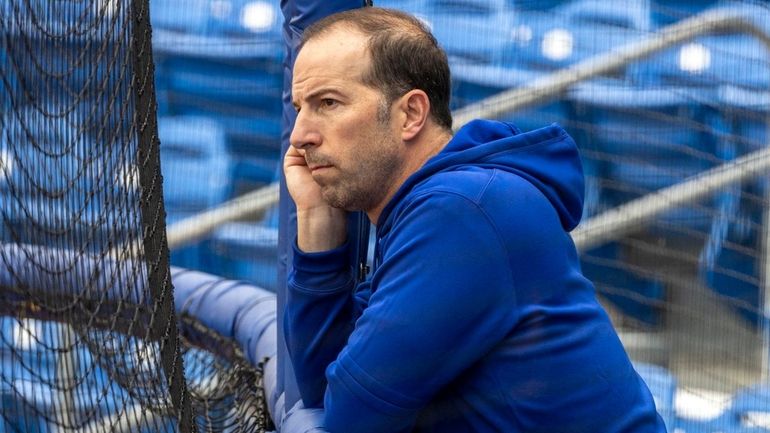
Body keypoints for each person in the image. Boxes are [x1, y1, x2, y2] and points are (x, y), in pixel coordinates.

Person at [283, 6, 667, 433]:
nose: (300, 136)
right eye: (300, 108)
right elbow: (320, 388)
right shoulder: (430, 208)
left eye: (328, 103)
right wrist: (317, 218)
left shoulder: (462, 211)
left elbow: (350, 416)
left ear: (410, 114)